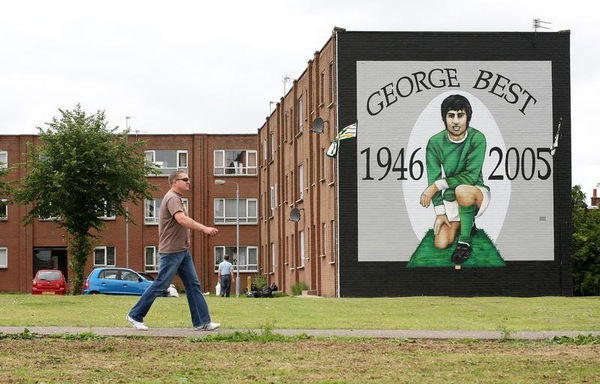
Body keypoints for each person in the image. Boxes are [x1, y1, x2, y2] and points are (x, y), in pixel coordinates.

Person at [126, 170, 220, 331]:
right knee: (161, 284)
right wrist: (204, 228)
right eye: (185, 179)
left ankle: (202, 322)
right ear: (174, 182)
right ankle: (135, 315)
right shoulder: (172, 198)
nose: (188, 182)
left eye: (188, 179)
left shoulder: (177, 198)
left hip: (181, 251)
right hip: (171, 251)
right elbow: (181, 219)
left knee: (193, 285)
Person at [419, 94, 490, 265]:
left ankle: (464, 242)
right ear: (444, 118)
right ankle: (467, 223)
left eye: (461, 115)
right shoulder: (435, 142)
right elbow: (433, 177)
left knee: (462, 190)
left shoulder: (477, 138)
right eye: (451, 115)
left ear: (468, 117)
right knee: (441, 243)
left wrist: (436, 186)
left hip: (475, 191)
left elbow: (471, 176)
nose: (456, 121)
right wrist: (440, 212)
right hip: (451, 195)